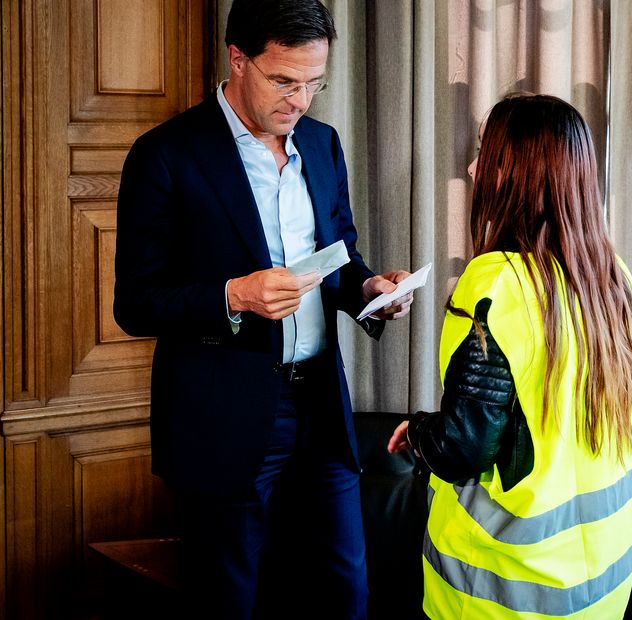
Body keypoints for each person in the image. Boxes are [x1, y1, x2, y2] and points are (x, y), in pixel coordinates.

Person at [113, 1, 412, 617]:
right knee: (232, 602)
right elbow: (136, 304)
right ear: (238, 59)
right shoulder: (165, 154)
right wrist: (232, 296)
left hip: (322, 410)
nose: (300, 100)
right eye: (284, 80)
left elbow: (340, 255)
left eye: (314, 82)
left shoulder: (324, 146)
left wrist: (368, 293)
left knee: (345, 594)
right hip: (221, 421)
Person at [386, 93, 632, 619]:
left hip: (504, 591)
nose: (470, 167)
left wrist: (420, 434)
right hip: (601, 585)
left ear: (521, 170)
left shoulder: (496, 283)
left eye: (486, 151)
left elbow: (466, 447)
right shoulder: (609, 279)